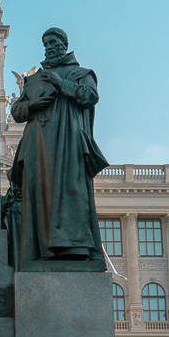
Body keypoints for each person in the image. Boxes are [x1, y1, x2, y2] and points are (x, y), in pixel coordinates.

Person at [9, 28, 109, 263]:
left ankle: (73, 248)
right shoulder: (35, 80)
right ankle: (40, 250)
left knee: (70, 192)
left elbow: (90, 96)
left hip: (67, 144)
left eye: (53, 42)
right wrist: (32, 106)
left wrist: (62, 84)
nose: (49, 47)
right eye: (46, 44)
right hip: (38, 146)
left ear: (64, 44)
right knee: (39, 194)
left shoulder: (81, 74)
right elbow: (17, 111)